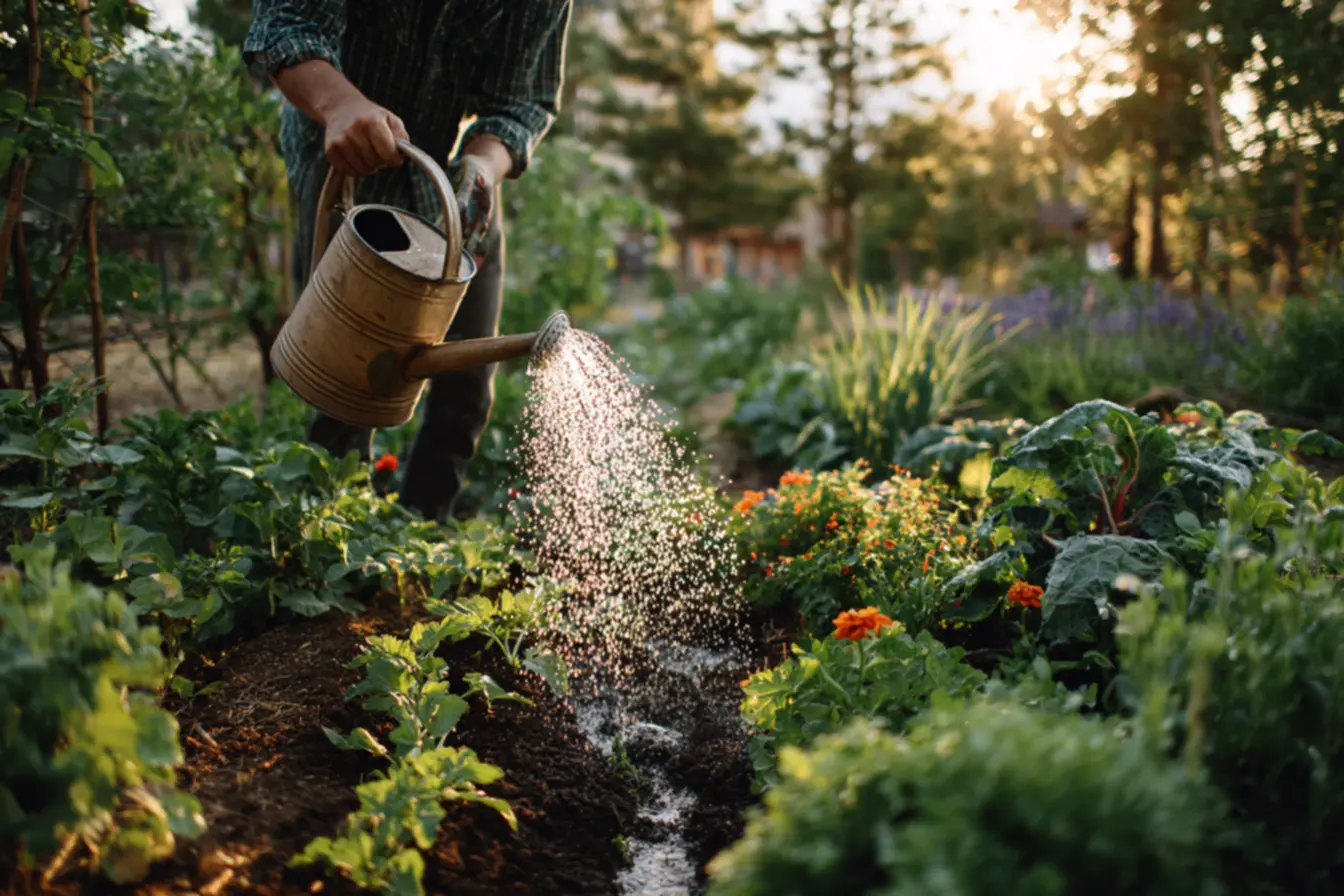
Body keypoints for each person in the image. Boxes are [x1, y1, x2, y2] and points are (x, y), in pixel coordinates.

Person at [243, 0, 571, 522]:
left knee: (466, 386)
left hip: (451, 187)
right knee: (345, 384)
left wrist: (481, 169)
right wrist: (341, 106)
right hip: (342, 168)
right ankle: (333, 535)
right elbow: (288, 25)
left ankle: (423, 534)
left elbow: (521, 101)